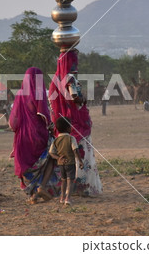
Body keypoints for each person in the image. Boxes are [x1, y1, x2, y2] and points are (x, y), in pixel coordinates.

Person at [49, 51, 102, 197]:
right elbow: (76, 98)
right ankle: (82, 187)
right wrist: (83, 98)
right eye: (74, 60)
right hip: (75, 124)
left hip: (60, 125)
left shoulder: (54, 79)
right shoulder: (70, 78)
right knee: (82, 155)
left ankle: (66, 189)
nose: (75, 63)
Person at [10, 67, 60, 204]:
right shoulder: (39, 93)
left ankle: (33, 195)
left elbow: (12, 122)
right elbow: (43, 113)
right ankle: (42, 187)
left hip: (23, 137)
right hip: (38, 135)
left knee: (27, 164)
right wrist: (50, 126)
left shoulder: (20, 94)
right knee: (52, 156)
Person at [49, 117, 84, 206]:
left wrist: (58, 158)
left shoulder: (56, 140)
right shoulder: (71, 138)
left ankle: (62, 197)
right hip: (70, 163)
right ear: (68, 128)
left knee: (63, 180)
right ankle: (68, 198)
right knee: (70, 181)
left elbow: (51, 152)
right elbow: (75, 150)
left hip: (61, 164)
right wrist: (80, 161)